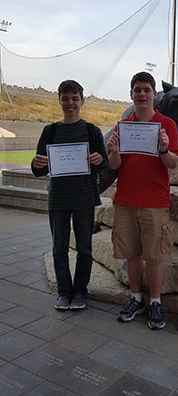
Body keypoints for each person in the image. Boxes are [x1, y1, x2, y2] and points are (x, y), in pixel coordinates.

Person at [107, 71, 178, 330]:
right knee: (132, 254)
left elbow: (172, 163)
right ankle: (136, 298)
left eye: (146, 89)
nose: (141, 94)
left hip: (154, 201)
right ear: (131, 95)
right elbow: (115, 165)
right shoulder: (123, 125)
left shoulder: (167, 124)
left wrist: (163, 148)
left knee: (155, 255)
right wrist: (113, 151)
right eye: (137, 90)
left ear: (153, 94)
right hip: (126, 199)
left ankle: (155, 302)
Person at [31, 80, 107, 310]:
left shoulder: (92, 131)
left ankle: (80, 291)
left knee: (84, 248)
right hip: (59, 198)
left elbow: (102, 164)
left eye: (75, 98)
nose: (70, 103)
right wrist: (36, 163)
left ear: (82, 100)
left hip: (84, 197)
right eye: (65, 98)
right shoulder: (50, 131)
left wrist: (99, 160)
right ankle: (64, 292)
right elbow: (40, 167)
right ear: (60, 101)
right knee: (59, 247)